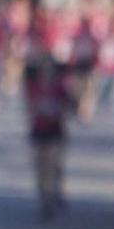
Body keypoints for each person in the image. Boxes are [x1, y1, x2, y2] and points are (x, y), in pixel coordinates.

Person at [24, 55, 76, 219]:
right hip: (39, 130)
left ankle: (54, 190)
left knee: (54, 163)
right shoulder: (34, 88)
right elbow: (30, 107)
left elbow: (70, 105)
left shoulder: (60, 88)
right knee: (40, 164)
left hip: (55, 130)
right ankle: (44, 196)